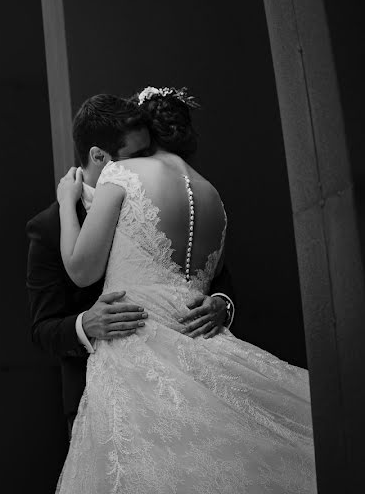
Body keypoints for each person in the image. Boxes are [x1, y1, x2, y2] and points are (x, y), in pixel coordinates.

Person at [53, 87, 315, 492]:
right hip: (205, 344)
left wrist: (67, 200)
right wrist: (222, 305)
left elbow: (82, 270)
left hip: (134, 351)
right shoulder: (213, 196)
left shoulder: (121, 175)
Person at [25, 94, 236, 442]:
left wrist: (222, 304)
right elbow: (42, 328)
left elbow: (215, 275)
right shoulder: (48, 227)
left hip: (191, 378)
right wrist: (84, 324)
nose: (149, 162)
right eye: (138, 155)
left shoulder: (148, 187)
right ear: (99, 156)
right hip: (100, 397)